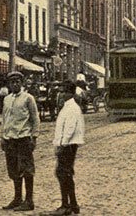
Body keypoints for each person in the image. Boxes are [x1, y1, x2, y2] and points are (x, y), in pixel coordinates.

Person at [1, 71, 40, 211]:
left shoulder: (28, 98)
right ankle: (17, 198)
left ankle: (29, 201)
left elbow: (35, 119)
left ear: (22, 83)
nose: (15, 84)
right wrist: (3, 137)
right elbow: (5, 119)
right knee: (13, 170)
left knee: (27, 170)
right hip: (10, 139)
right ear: (9, 84)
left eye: (18, 81)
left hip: (23, 138)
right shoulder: (7, 99)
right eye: (12, 82)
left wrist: (34, 137)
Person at [45, 80, 85, 216]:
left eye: (64, 91)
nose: (61, 94)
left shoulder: (72, 108)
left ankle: (65, 205)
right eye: (61, 91)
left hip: (68, 145)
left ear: (70, 93)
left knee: (62, 173)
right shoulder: (67, 106)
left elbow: (69, 129)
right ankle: (73, 204)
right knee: (66, 173)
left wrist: (62, 145)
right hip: (67, 144)